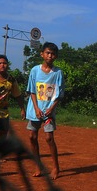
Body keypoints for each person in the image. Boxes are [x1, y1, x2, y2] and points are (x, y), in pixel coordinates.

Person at [25, 42, 64, 179]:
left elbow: (59, 95)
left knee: (49, 138)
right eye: (47, 53)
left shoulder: (58, 72)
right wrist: (36, 108)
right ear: (42, 54)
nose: (50, 56)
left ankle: (55, 167)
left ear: (56, 56)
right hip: (35, 110)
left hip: (49, 111)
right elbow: (32, 91)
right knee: (32, 136)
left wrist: (51, 109)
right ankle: (37, 165)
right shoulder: (35, 70)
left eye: (53, 54)